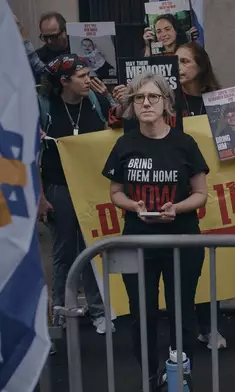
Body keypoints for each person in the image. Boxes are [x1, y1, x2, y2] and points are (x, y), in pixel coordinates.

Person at [102, 72, 209, 391]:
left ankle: (178, 375)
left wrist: (177, 208)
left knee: (182, 313)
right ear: (131, 106)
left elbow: (201, 193)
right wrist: (132, 206)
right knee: (142, 316)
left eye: (153, 97)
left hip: (182, 240)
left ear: (167, 103)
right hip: (137, 243)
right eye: (138, 98)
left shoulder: (185, 143)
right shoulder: (124, 144)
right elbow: (115, 191)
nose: (146, 103)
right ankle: (151, 376)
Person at [37, 54, 114, 335]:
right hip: (60, 187)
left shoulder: (95, 101)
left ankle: (99, 311)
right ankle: (59, 311)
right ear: (64, 81)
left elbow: (114, 131)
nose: (88, 81)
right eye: (82, 77)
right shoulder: (45, 107)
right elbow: (35, 157)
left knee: (93, 249)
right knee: (63, 253)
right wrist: (40, 197)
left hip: (93, 188)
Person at [173, 42, 229, 350]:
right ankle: (187, 328)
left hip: (217, 193)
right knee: (185, 270)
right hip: (181, 194)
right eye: (175, 62)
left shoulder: (217, 101)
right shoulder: (168, 102)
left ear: (200, 65)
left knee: (213, 265)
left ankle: (212, 327)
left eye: (185, 61)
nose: (179, 67)